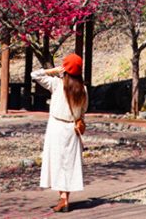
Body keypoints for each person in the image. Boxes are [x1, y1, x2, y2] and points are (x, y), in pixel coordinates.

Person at [32, 53, 88, 213]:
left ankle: (63, 199)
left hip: (56, 127)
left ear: (65, 68)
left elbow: (34, 75)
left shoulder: (57, 84)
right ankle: (65, 198)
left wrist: (53, 70)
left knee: (57, 163)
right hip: (72, 129)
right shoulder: (83, 89)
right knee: (68, 164)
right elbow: (83, 112)